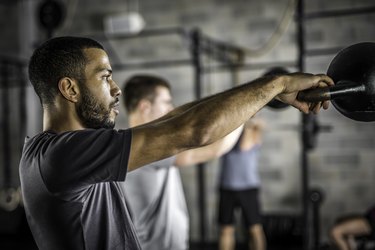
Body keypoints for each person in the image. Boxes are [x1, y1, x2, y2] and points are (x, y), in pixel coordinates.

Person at [19, 36, 333, 250]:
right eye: (104, 77)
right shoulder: (63, 154)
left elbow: (175, 119)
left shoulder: (55, 150)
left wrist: (262, 95)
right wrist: (277, 83)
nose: (116, 89)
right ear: (69, 89)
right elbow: (193, 130)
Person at [122, 74, 243, 250]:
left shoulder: (132, 141)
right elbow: (217, 147)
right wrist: (245, 113)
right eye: (166, 102)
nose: (171, 108)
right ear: (145, 107)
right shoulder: (144, 145)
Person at [218, 116, 266, 250]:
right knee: (225, 229)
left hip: (248, 187)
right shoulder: (226, 131)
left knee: (254, 229)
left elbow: (244, 146)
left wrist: (248, 123)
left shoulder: (254, 129)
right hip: (227, 186)